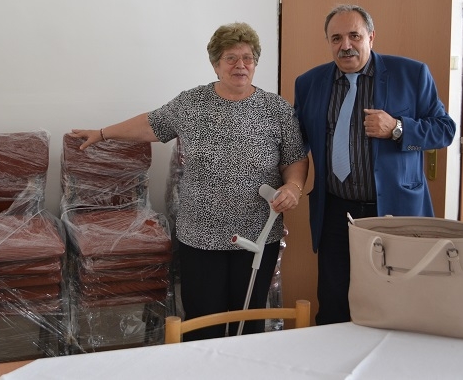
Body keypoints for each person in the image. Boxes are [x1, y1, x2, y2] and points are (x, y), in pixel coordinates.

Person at [71, 22, 309, 340]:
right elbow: (150, 125)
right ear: (215, 64)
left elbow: (295, 159)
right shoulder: (192, 103)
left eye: (248, 58)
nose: (240, 65)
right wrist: (102, 133)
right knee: (202, 321)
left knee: (249, 321)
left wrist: (293, 187)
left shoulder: (276, 109)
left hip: (258, 233)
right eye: (230, 58)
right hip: (200, 233)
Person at [294, 4, 456, 325]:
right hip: (336, 212)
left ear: (371, 37)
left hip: (395, 210)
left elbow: (444, 130)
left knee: (398, 300)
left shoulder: (411, 74)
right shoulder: (309, 82)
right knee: (334, 302)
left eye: (354, 36)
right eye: (336, 38)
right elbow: (296, 142)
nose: (345, 45)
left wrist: (398, 128)